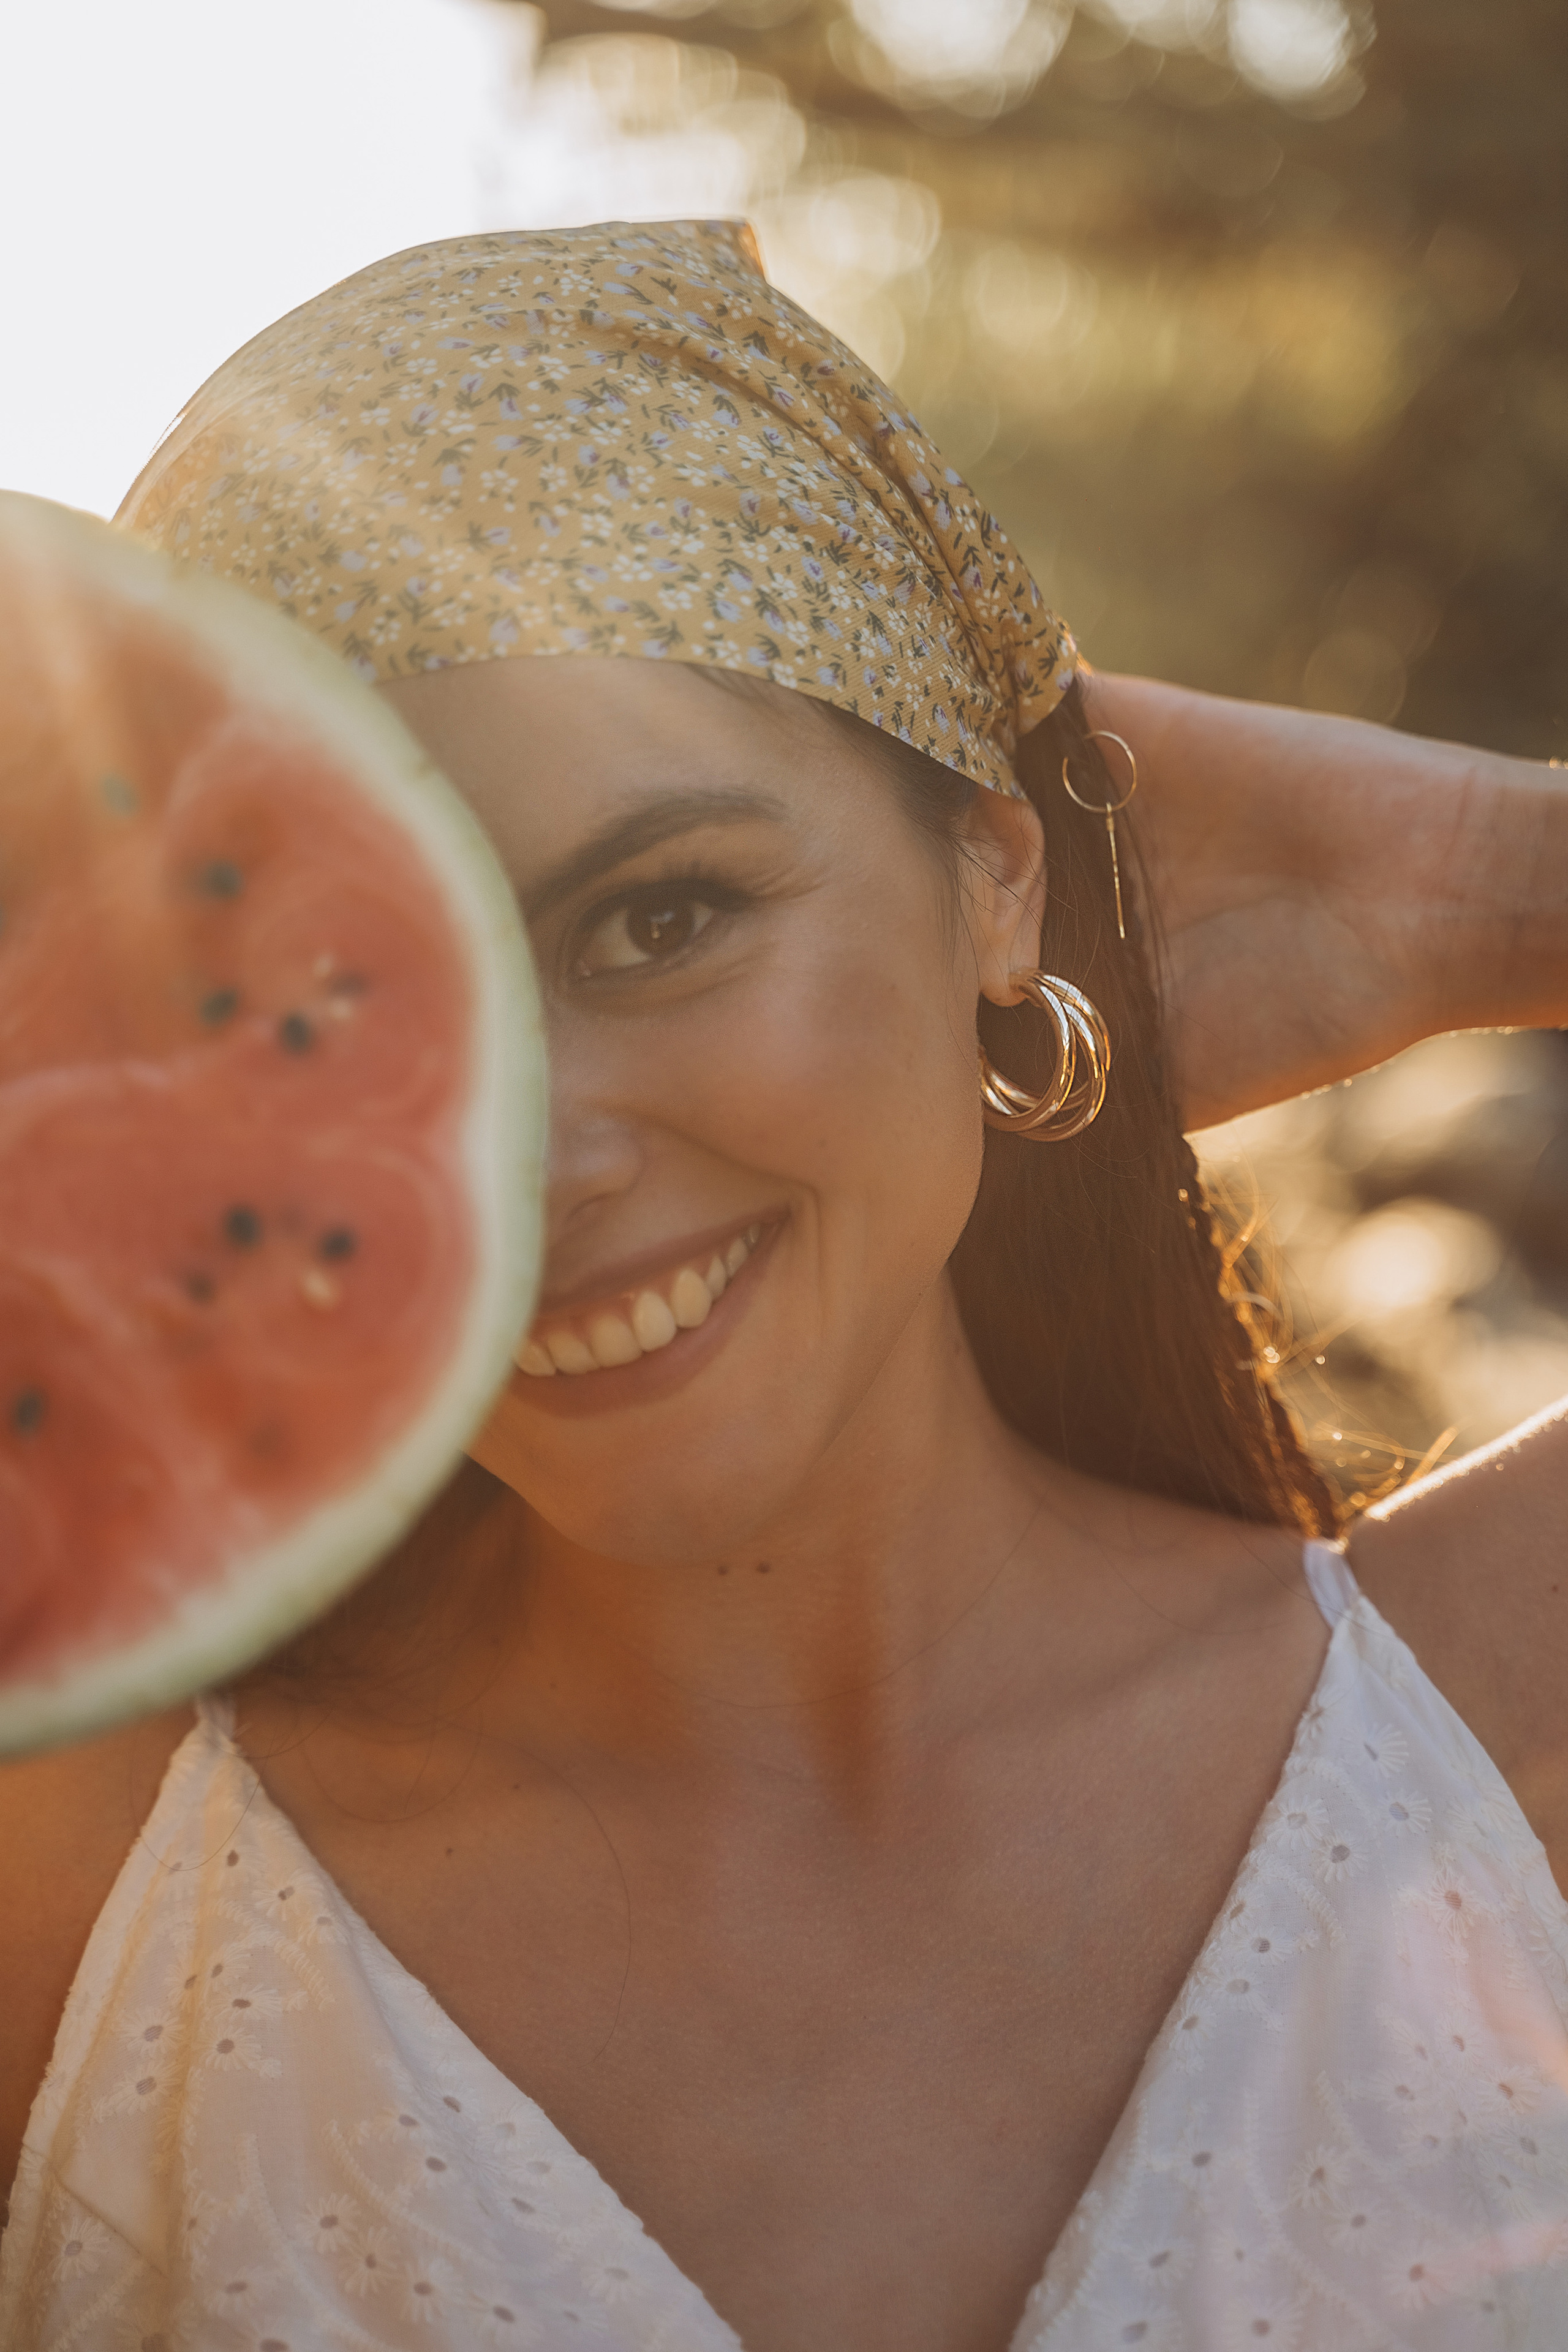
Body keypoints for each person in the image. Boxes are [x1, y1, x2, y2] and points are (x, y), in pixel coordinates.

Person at [1, 219, 1565, 2352]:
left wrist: (1475, 882)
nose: (526, 1156)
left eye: (659, 922)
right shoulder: (85, 1892)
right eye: (336, 1009)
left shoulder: (1495, 1713)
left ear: (993, 877)